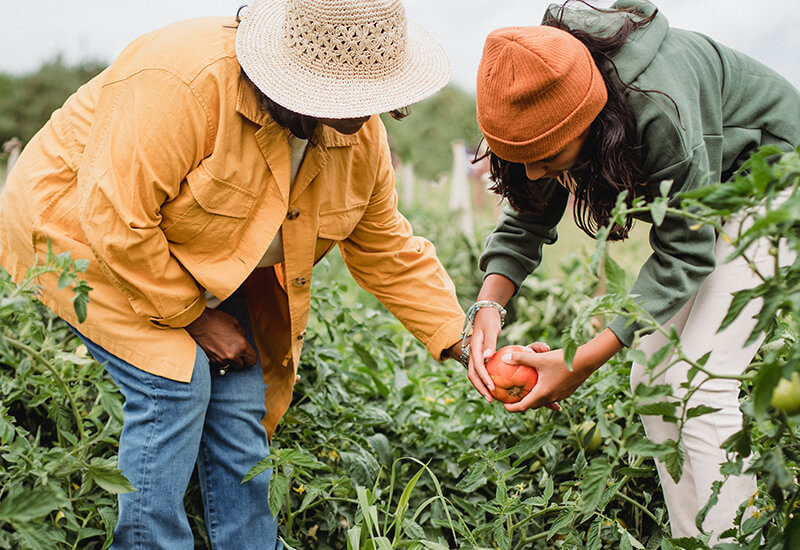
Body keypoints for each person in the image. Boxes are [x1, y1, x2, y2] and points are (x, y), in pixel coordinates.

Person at [0, 0, 470, 547]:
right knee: (173, 383)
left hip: (196, 255)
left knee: (242, 395)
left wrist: (463, 341)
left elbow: (386, 247)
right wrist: (198, 321)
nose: (367, 115)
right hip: (80, 236)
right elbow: (117, 221)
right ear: (298, 74)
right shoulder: (185, 83)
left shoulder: (357, 137)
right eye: (353, 96)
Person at [464, 0, 800, 542]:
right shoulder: (546, 87)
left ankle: (735, 540)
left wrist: (578, 362)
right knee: (652, 380)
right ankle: (693, 537)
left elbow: (685, 252)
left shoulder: (658, 109)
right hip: (713, 198)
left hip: (775, 183)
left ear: (593, 122)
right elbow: (527, 216)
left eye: (548, 156)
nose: (533, 171)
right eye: (519, 155)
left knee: (699, 383)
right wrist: (488, 304)